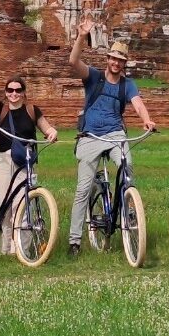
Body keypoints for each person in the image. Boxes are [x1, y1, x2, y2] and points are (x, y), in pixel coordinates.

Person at [67, 16, 157, 256]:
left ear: (124, 64)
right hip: (90, 135)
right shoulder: (94, 77)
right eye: (114, 58)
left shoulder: (127, 85)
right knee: (83, 190)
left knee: (127, 168)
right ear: (107, 59)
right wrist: (80, 37)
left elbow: (138, 104)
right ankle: (74, 241)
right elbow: (73, 61)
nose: (116, 63)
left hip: (116, 133)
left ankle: (128, 207)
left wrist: (146, 119)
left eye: (121, 60)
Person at [0, 51, 59, 254]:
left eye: (18, 90)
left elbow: (46, 127)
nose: (14, 93)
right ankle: (6, 249)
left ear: (23, 92)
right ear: (5, 92)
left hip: (24, 161)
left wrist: (52, 132)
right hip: (2, 161)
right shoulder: (1, 110)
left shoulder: (31, 110)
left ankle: (22, 249)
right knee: (5, 208)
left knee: (23, 205)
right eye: (10, 90)